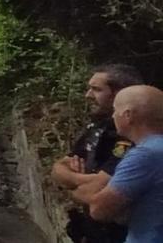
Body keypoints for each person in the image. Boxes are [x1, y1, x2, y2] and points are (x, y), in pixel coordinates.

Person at [52, 64, 143, 243]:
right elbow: (58, 167)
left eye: (96, 89)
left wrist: (71, 185)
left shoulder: (133, 136)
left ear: (119, 94)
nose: (88, 95)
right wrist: (79, 180)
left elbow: (97, 193)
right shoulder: (97, 127)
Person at [73, 85, 163, 243]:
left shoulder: (145, 155)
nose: (113, 116)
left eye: (115, 110)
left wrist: (77, 191)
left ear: (127, 115)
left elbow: (100, 210)